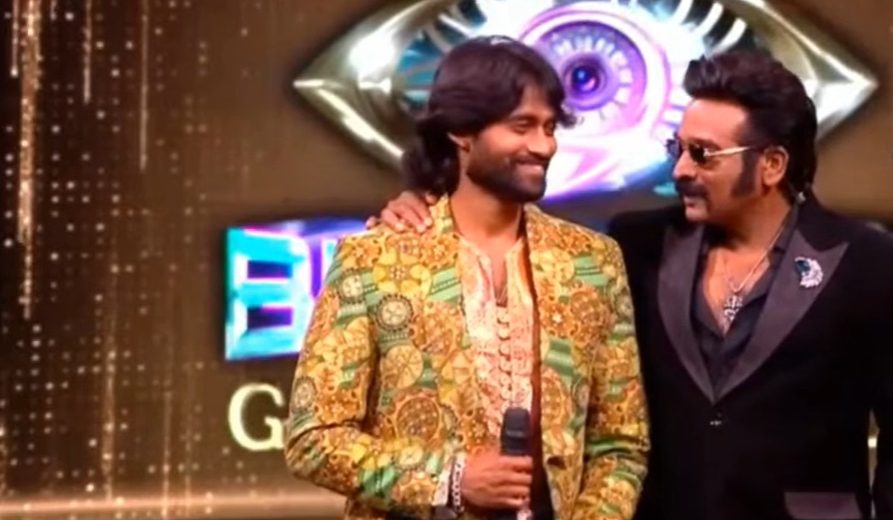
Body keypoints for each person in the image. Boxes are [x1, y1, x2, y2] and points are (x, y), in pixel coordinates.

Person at [372, 50, 893, 520]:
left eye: (703, 154)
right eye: (677, 148)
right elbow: (504, 227)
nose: (681, 169)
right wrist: (422, 203)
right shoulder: (638, 246)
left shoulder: (865, 260)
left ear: (772, 164)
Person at [285, 36, 649, 520]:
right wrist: (452, 480)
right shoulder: (374, 259)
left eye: (549, 127)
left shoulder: (593, 262)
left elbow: (620, 444)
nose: (544, 145)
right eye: (521, 126)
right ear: (460, 131)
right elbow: (313, 439)